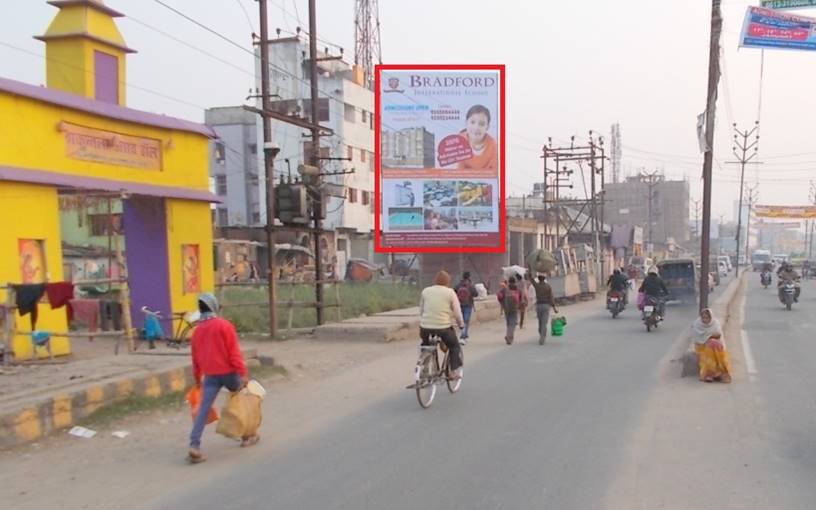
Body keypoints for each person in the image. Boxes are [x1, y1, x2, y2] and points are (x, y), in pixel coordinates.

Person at [188, 293, 258, 464]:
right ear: (214, 307)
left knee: (203, 410)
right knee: (242, 401)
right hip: (229, 373)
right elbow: (234, 354)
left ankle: (194, 445)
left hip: (210, 376)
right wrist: (243, 374)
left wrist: (198, 380)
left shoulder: (197, 331)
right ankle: (248, 435)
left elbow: (195, 359)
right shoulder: (224, 326)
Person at [419, 271, 465, 379]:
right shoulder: (450, 292)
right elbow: (457, 312)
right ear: (448, 281)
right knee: (454, 346)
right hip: (443, 327)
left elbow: (421, 310)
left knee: (426, 345)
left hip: (425, 327)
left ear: (435, 280)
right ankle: (453, 372)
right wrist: (461, 324)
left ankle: (424, 368)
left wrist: (426, 320)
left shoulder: (426, 291)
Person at [692, 308, 732, 383]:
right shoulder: (697, 324)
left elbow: (719, 336)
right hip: (701, 348)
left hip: (714, 347)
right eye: (703, 318)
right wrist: (708, 339)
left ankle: (721, 373)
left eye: (707, 318)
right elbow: (697, 340)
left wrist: (711, 339)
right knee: (710, 347)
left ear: (711, 317)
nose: (705, 320)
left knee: (714, 344)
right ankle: (709, 374)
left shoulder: (715, 323)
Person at [457, 105, 498, 170]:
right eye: (472, 122)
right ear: (466, 123)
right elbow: (459, 169)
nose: (476, 127)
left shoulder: (492, 145)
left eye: (481, 124)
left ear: (487, 127)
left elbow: (494, 171)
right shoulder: (459, 140)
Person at [531, 273, 559, 345]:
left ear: (539, 279)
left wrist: (530, 271)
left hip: (539, 306)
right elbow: (551, 298)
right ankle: (542, 337)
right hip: (546, 306)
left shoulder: (537, 286)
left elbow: (531, 280)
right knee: (544, 323)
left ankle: (541, 334)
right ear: (544, 279)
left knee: (540, 322)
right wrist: (554, 307)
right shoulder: (548, 286)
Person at [497, 276, 523, 345]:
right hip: (514, 308)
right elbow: (521, 299)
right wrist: (520, 306)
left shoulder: (505, 289)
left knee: (509, 323)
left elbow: (499, 296)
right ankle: (509, 337)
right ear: (515, 281)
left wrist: (502, 304)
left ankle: (508, 335)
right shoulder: (518, 289)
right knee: (512, 323)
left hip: (506, 308)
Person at [455, 271, 478, 343]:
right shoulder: (470, 285)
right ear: (469, 276)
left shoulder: (459, 284)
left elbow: (454, 291)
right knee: (466, 320)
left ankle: (464, 334)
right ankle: (463, 335)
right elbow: (476, 294)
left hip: (459, 304)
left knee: (461, 320)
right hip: (468, 304)